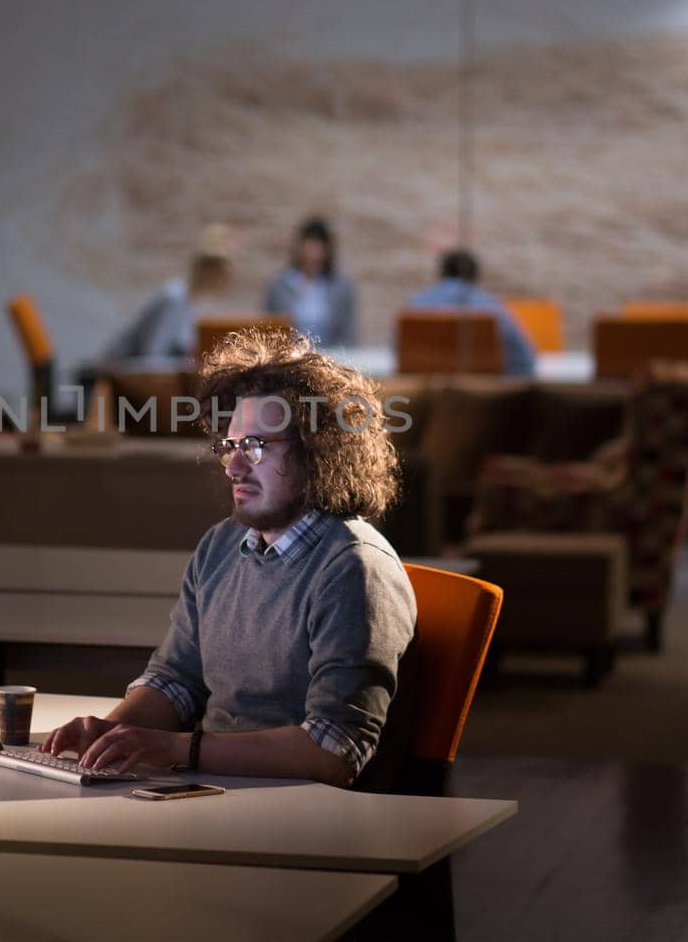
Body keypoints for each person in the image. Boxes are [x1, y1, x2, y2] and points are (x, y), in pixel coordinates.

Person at [41, 328, 417, 788]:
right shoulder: (221, 545)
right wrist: (112, 730)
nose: (235, 467)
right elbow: (176, 681)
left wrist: (178, 748)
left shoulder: (354, 569)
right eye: (230, 447)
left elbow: (333, 751)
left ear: (320, 452)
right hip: (208, 786)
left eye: (256, 447)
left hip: (300, 814)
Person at [93, 227, 233, 369]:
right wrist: (194, 366)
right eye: (222, 273)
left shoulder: (189, 305)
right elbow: (153, 359)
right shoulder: (174, 298)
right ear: (207, 270)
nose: (226, 280)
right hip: (113, 380)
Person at [408, 249, 536, 376]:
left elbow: (398, 349)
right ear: (475, 275)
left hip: (427, 391)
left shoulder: (416, 305)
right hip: (485, 391)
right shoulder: (493, 307)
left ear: (442, 273)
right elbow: (525, 359)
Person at [264, 216, 359, 346]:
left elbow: (348, 332)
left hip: (331, 357)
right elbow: (268, 327)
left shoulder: (340, 287)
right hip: (289, 357)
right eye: (310, 244)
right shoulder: (280, 286)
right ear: (299, 247)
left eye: (318, 245)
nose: (314, 252)